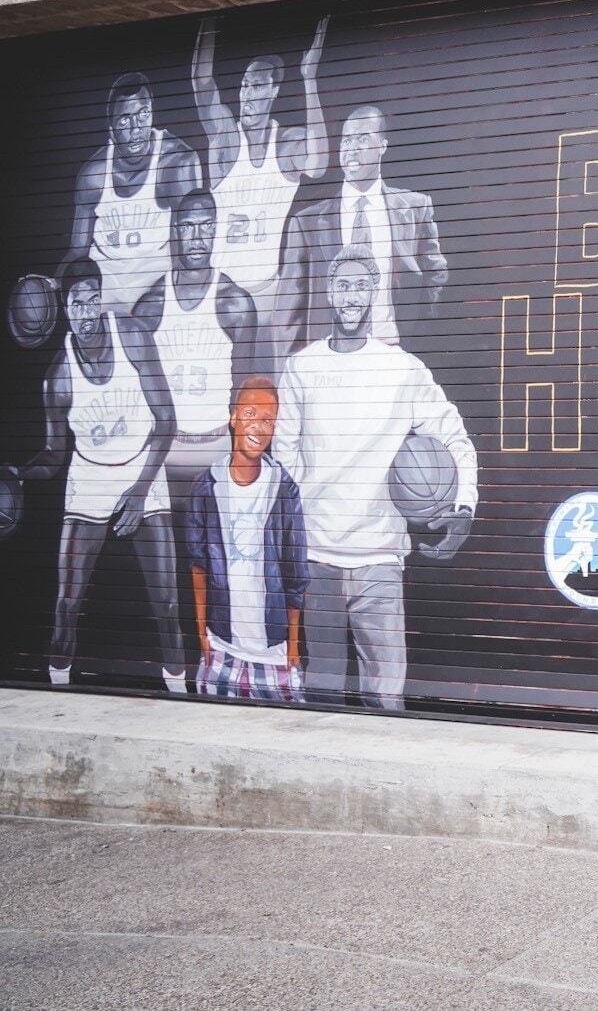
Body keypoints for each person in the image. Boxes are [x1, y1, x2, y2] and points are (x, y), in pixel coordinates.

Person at [274, 248, 475, 710]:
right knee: (321, 692)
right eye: (342, 285)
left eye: (360, 285)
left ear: (374, 292)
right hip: (319, 557)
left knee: (386, 702)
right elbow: (284, 465)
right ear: (328, 292)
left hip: (380, 559)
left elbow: (455, 438)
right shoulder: (301, 367)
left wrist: (463, 506)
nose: (351, 295)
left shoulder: (401, 369)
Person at [4, 261, 186, 691]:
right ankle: (58, 687)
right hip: (90, 475)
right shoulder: (59, 379)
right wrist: (20, 472)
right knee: (68, 601)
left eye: (91, 300)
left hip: (144, 467)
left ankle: (181, 690)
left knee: (166, 600)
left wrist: (140, 493)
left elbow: (166, 421)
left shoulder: (134, 338)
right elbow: (54, 455)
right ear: (64, 309)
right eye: (75, 304)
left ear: (101, 300)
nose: (85, 313)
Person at [193, 15, 330, 376]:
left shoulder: (285, 145)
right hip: (221, 293)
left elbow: (317, 164)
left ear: (272, 92)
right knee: (220, 385)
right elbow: (201, 82)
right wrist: (207, 16)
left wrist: (309, 79)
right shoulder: (226, 139)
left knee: (267, 389)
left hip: (267, 292)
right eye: (244, 85)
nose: (247, 93)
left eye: (256, 86)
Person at [277, 106, 447, 354]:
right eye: (346, 140)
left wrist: (419, 340)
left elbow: (436, 275)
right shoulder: (306, 223)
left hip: (394, 354)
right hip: (328, 361)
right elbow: (288, 310)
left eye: (362, 138)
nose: (351, 148)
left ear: (383, 145)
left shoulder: (415, 208)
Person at [129, 190, 260, 514]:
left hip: (214, 449)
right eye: (189, 226)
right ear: (175, 232)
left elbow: (245, 396)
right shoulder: (150, 306)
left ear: (216, 229)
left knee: (210, 560)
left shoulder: (236, 303)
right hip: (162, 453)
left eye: (206, 226)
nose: (198, 237)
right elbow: (133, 394)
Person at [184, 376, 309, 703]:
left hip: (273, 653)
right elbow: (198, 567)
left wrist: (292, 648)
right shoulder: (206, 486)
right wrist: (203, 636)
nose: (259, 426)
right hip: (222, 648)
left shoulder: (284, 488)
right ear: (233, 417)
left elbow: (296, 576)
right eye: (251, 414)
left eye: (268, 419)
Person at [65, 74, 203, 314]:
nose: (136, 129)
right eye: (125, 121)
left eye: (142, 115)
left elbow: (190, 252)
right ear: (112, 130)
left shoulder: (177, 163)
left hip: (156, 302)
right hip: (103, 306)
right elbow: (78, 253)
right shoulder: (94, 175)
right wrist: (51, 285)